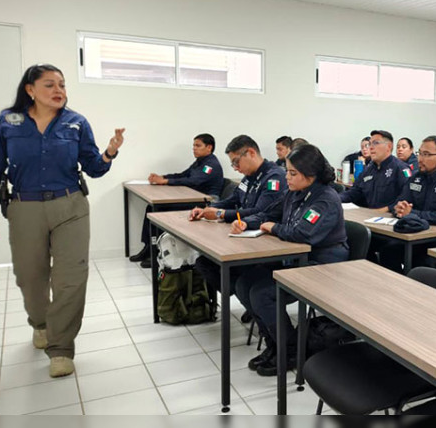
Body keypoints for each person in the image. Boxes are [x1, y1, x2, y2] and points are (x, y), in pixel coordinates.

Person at [0, 64, 125, 378]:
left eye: (61, 84)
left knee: (71, 278)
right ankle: (40, 323)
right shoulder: (8, 121)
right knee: (30, 276)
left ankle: (61, 348)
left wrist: (109, 153)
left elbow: (93, 167)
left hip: (70, 205)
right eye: (49, 85)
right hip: (25, 207)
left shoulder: (76, 122)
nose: (58, 90)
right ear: (30, 90)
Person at [231, 144, 348, 376]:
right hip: (296, 259)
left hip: (323, 266)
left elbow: (304, 233)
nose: (287, 177)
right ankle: (274, 344)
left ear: (310, 174)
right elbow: (269, 214)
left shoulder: (325, 199)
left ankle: (291, 351)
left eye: (293, 173)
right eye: (287, 171)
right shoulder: (295, 192)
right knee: (244, 283)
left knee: (262, 293)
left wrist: (273, 228)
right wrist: (247, 223)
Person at [190, 135, 287, 299]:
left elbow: (260, 211)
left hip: (264, 241)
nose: (235, 168)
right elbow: (233, 199)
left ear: (250, 153)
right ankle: (247, 299)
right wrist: (209, 208)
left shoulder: (274, 177)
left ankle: (249, 299)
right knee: (204, 262)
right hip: (243, 232)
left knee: (226, 267)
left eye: (236, 162)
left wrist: (220, 214)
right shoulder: (249, 176)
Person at [379, 136, 436, 272]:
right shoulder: (417, 176)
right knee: (388, 251)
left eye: (426, 155)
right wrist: (399, 208)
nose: (420, 159)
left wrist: (412, 214)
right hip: (422, 232)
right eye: (420, 153)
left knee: (421, 261)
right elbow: (401, 201)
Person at [130, 133, 224, 267]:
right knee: (151, 208)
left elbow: (194, 181)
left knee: (161, 211)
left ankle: (159, 253)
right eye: (193, 145)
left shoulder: (210, 165)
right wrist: (162, 177)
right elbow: (183, 175)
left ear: (209, 147)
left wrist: (166, 181)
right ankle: (148, 248)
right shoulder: (199, 162)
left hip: (204, 203)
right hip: (191, 198)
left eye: (198, 145)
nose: (194, 148)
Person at [340, 130, 411, 210]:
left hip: (390, 216)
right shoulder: (369, 169)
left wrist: (388, 209)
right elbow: (355, 191)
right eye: (370, 144)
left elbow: (407, 198)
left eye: (376, 143)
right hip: (369, 214)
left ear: (389, 146)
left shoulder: (401, 168)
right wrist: (336, 199)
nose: (371, 147)